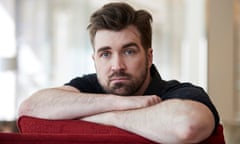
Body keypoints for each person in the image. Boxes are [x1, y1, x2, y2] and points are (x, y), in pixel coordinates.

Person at [18, 2, 219, 144]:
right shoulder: (91, 85)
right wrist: (121, 103)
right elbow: (30, 107)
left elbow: (188, 125)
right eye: (105, 54)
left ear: (149, 57)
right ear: (94, 60)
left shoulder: (179, 92)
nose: (117, 66)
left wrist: (110, 117)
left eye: (129, 51)